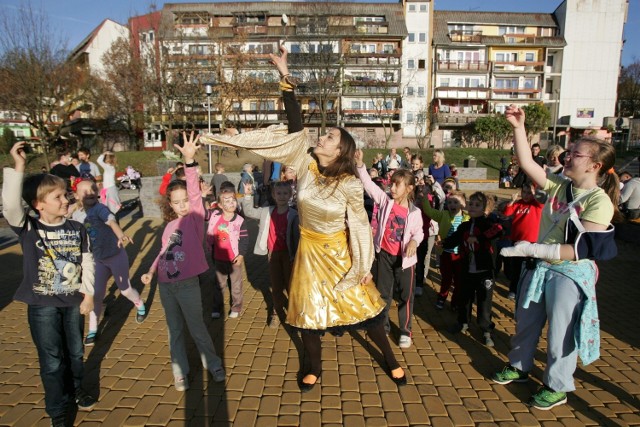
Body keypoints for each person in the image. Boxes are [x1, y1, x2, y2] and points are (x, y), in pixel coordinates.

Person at [199, 46, 407, 391]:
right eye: (323, 134)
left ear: (340, 150)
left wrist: (362, 266)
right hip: (309, 255)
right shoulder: (307, 163)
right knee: (308, 316)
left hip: (340, 254)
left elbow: (358, 226)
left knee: (365, 311)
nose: (321, 137)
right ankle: (313, 365)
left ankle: (390, 359)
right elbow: (296, 127)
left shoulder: (350, 183)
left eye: (329, 137)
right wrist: (284, 75)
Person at [493, 105, 620, 410]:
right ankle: (520, 366)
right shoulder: (560, 185)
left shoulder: (599, 202)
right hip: (541, 267)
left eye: (576, 154)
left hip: (569, 272)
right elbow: (526, 162)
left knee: (561, 332)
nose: (567, 156)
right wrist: (518, 127)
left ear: (595, 166)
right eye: (570, 151)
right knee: (526, 321)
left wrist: (531, 249)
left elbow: (578, 249)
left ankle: (557, 385)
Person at [2, 141, 97, 426]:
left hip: (72, 302)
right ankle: (58, 411)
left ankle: (76, 389)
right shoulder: (30, 227)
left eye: (66, 194)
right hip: (42, 306)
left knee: (76, 354)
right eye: (58, 196)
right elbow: (9, 205)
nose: (66, 199)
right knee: (52, 361)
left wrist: (89, 295)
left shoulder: (77, 228)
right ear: (38, 205)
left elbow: (87, 262)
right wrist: (19, 166)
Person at [141, 133, 225, 392]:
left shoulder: (195, 219)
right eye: (176, 203)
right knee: (174, 331)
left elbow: (193, 193)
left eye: (185, 201)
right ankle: (180, 372)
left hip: (188, 284)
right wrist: (150, 270)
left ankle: (212, 363)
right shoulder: (169, 226)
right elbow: (163, 251)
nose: (181, 206)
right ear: (170, 204)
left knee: (197, 328)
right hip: (166, 286)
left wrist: (189, 161)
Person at [356, 152, 424, 349]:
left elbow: (419, 233)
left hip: (405, 260)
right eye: (391, 184)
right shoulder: (386, 201)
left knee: (405, 296)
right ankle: (383, 326)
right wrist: (361, 165)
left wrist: (413, 242)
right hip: (384, 255)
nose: (392, 188)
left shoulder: (415, 212)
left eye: (397, 185)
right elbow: (369, 186)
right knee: (383, 293)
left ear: (409, 188)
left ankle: (405, 330)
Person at [72, 180, 146, 346]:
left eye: (92, 188)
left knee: (125, 290)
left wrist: (120, 234)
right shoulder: (76, 215)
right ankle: (92, 330)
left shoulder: (100, 208)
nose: (89, 192)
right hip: (97, 260)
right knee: (95, 295)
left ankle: (139, 303)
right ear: (76, 196)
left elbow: (111, 221)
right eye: (84, 191)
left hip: (116, 255)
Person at [444, 192, 503, 347]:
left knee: (484, 302)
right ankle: (463, 322)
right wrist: (443, 243)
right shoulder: (464, 225)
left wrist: (479, 238)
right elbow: (454, 239)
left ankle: (486, 329)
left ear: (485, 209)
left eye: (477, 205)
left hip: (485, 271)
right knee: (465, 298)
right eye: (471, 204)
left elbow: (499, 230)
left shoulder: (489, 224)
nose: (472, 207)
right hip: (466, 269)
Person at [254, 181, 300, 328]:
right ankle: (276, 311)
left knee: (291, 284)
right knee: (276, 284)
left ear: (290, 195)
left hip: (288, 254)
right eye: (278, 193)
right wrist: (248, 194)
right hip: (273, 254)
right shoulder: (268, 212)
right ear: (273, 195)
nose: (281, 196)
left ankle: (294, 313)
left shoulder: (294, 214)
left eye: (285, 193)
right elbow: (248, 211)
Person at [207, 187, 249, 319]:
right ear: (220, 205)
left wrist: (241, 255)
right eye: (227, 201)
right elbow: (201, 212)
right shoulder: (214, 216)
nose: (232, 203)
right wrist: (202, 196)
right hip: (218, 258)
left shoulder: (240, 221)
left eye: (233, 200)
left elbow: (244, 239)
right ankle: (216, 307)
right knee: (219, 284)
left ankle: (236, 306)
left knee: (236, 284)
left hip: (234, 259)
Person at [422, 189, 469, 310]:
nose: (452, 205)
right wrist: (424, 195)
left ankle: (455, 302)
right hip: (446, 254)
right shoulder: (443, 215)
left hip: (461, 256)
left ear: (463, 204)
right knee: (446, 279)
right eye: (450, 202)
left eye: (456, 202)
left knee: (459, 281)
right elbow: (428, 211)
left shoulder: (468, 219)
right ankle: (442, 297)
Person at [501, 182, 543, 300]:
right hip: (517, 241)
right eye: (524, 192)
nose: (526, 195)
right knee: (516, 268)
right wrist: (511, 202)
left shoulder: (537, 205)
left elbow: (541, 199)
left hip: (533, 242)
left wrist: (536, 187)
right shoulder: (518, 204)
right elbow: (506, 213)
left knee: (531, 267)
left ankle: (529, 290)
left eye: (529, 193)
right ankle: (513, 290)